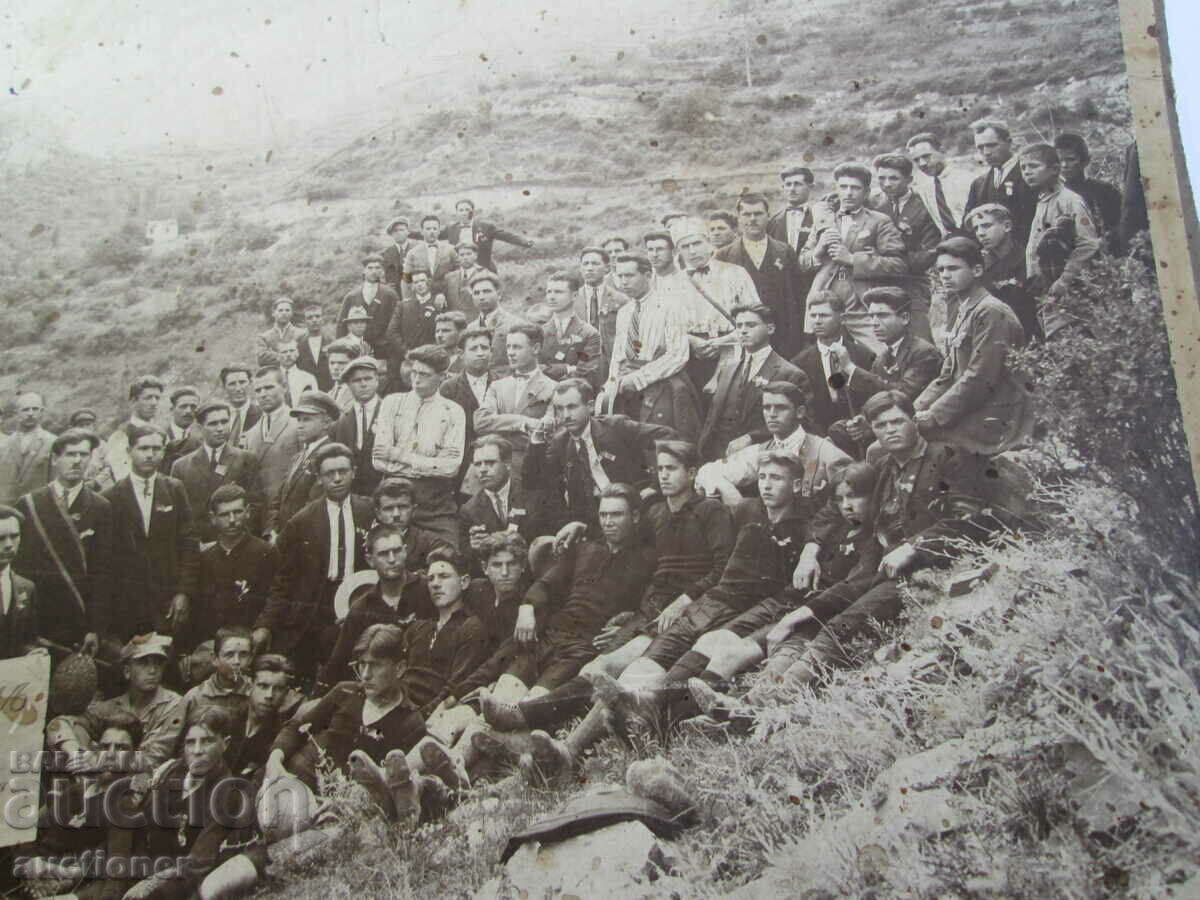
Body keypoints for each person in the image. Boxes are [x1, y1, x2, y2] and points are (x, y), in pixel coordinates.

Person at [469, 483, 657, 709]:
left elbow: (648, 609)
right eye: (603, 514)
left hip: (586, 645)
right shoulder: (584, 549)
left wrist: (624, 631)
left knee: (534, 701)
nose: (608, 522)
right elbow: (547, 583)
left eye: (616, 515)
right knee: (504, 692)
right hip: (552, 634)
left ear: (635, 516)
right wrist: (527, 608)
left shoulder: (647, 560)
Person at [265, 623, 427, 792]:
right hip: (292, 779)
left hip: (341, 802)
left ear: (399, 668)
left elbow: (396, 786)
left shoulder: (410, 722)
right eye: (362, 664)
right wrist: (275, 759)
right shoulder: (345, 691)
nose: (365, 675)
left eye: (376, 665)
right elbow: (297, 727)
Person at [119, 707, 257, 900]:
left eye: (207, 741)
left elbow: (199, 863)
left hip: (182, 882)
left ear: (224, 744)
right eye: (190, 743)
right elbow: (142, 827)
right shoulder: (172, 773)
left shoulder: (226, 793)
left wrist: (150, 890)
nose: (197, 750)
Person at [259, 442, 373, 675]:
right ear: (319, 479)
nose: (338, 478)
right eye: (330, 473)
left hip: (359, 600)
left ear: (354, 472)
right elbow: (283, 579)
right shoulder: (302, 522)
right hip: (317, 604)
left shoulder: (369, 511)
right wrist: (266, 624)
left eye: (343, 471)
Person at [915, 237, 1033, 455]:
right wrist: (916, 409)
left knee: (908, 442)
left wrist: (934, 415)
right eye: (941, 270)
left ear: (977, 270)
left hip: (996, 415)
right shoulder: (966, 309)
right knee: (899, 431)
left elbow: (979, 378)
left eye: (953, 268)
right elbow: (947, 375)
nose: (945, 276)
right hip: (972, 406)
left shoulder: (991, 311)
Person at [523, 378, 676, 534]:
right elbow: (533, 481)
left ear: (589, 407)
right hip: (596, 521)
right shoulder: (560, 443)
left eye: (572, 407)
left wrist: (655, 485)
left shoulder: (616, 427)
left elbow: (667, 436)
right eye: (559, 409)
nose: (565, 415)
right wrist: (537, 440)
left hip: (636, 508)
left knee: (660, 516)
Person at [14, 429, 113, 656]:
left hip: (79, 617)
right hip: (39, 617)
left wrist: (95, 628)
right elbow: (19, 568)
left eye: (83, 454)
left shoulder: (101, 507)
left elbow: (103, 571)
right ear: (56, 459)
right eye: (70, 454)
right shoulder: (29, 504)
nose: (77, 461)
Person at [102, 425, 199, 639]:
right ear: (129, 452)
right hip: (127, 600)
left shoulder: (174, 489)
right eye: (143, 448)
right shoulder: (111, 496)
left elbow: (189, 543)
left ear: (163, 452)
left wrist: (184, 592)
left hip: (167, 596)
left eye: (156, 448)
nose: (150, 454)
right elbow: (105, 556)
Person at [695, 380, 850, 513]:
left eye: (780, 407)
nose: (772, 414)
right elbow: (708, 470)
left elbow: (850, 506)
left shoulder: (827, 454)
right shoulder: (761, 450)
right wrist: (735, 499)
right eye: (766, 407)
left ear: (800, 412)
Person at [798, 162, 907, 349]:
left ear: (866, 193)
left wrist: (852, 260)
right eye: (843, 187)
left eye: (855, 188)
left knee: (880, 355)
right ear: (836, 189)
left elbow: (898, 265)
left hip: (861, 305)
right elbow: (802, 262)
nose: (848, 193)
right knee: (826, 358)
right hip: (825, 305)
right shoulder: (824, 221)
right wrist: (817, 252)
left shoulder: (879, 221)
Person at [826, 287, 943, 456]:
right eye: (871, 316)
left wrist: (851, 369)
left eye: (882, 315)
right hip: (889, 426)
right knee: (837, 430)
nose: (874, 322)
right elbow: (874, 400)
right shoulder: (883, 357)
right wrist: (862, 419)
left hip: (914, 428)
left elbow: (903, 395)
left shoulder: (924, 353)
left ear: (904, 318)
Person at [318, 519, 435, 687]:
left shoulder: (428, 589)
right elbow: (337, 662)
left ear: (405, 551)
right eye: (383, 554)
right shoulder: (361, 608)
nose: (392, 559)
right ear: (370, 560)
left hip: (426, 682)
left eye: (397, 551)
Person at [372, 345, 466, 549]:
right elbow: (378, 460)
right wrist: (433, 463)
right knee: (389, 555)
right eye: (414, 372)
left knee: (447, 555)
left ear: (442, 376)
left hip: (435, 501)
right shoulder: (391, 403)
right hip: (394, 494)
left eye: (424, 374)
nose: (416, 379)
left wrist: (397, 454)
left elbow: (451, 468)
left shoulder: (453, 412)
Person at [602, 253, 702, 442]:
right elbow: (618, 354)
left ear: (648, 275)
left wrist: (639, 378)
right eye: (619, 276)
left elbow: (677, 354)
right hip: (627, 385)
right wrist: (612, 382)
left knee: (665, 439)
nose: (623, 282)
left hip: (662, 381)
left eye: (629, 276)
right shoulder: (624, 311)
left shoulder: (670, 306)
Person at [697, 304, 805, 463]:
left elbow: (798, 425)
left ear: (770, 329)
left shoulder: (790, 374)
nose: (743, 330)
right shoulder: (727, 370)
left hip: (761, 460)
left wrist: (751, 438)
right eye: (739, 325)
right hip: (716, 456)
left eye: (751, 325)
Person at [715, 194, 805, 356]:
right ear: (739, 218)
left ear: (768, 216)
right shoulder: (724, 256)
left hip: (783, 338)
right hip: (742, 338)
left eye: (758, 214)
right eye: (747, 214)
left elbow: (798, 297)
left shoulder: (785, 251)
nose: (752, 219)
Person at [475, 324, 556, 496]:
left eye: (517, 347)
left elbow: (547, 432)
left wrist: (499, 425)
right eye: (508, 347)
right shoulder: (497, 386)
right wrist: (523, 423)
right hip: (493, 471)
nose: (510, 352)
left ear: (536, 348)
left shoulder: (553, 388)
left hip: (531, 472)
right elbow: (480, 422)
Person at [86, 633, 185, 772]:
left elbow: (156, 756)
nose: (152, 670)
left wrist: (98, 761)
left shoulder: (175, 705)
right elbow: (70, 722)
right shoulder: (109, 707)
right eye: (144, 663)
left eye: (158, 663)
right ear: (127, 671)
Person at [170, 399, 265, 544]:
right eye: (213, 424)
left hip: (237, 545)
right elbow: (179, 515)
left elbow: (255, 507)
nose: (220, 428)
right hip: (199, 548)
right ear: (200, 427)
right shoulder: (181, 467)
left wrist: (241, 541)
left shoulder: (246, 459)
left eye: (224, 422)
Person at [870, 153, 940, 343]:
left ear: (909, 179)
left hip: (913, 282)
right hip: (878, 282)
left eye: (893, 178)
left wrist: (892, 264)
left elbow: (929, 252)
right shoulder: (873, 203)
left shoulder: (924, 206)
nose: (887, 183)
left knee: (919, 338)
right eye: (881, 178)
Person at [1020, 143, 1101, 298]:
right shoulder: (1042, 201)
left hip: (1071, 289)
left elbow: (1088, 243)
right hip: (1046, 287)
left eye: (1033, 166)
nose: (1027, 172)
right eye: (1023, 168)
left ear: (1055, 169)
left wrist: (1065, 280)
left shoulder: (1069, 200)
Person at [789, 291, 876, 436]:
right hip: (821, 437)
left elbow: (873, 397)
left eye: (823, 315)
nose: (816, 321)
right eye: (813, 316)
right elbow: (804, 410)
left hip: (860, 434)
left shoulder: (864, 355)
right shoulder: (799, 363)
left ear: (842, 319)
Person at [196, 484, 278, 633]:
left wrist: (263, 627)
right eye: (224, 514)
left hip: (253, 635)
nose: (232, 520)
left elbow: (276, 597)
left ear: (247, 512)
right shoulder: (205, 558)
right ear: (213, 518)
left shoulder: (266, 552)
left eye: (237, 512)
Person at [459, 436, 549, 567]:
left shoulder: (532, 495)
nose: (483, 470)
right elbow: (466, 558)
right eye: (478, 464)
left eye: (490, 462)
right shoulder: (469, 510)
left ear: (507, 464)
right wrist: (474, 547)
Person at [263, 391, 337, 538]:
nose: (300, 426)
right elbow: (278, 500)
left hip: (304, 537)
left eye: (307, 420)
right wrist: (271, 531)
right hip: (284, 536)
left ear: (326, 423)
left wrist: (284, 537)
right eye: (299, 420)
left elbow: (313, 507)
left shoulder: (330, 456)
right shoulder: (299, 455)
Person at [967, 204, 1041, 341]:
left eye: (986, 226)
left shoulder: (1027, 260)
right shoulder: (978, 266)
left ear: (1007, 226)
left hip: (1024, 337)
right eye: (976, 228)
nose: (980, 233)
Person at [439, 326, 496, 494]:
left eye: (485, 348)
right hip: (461, 465)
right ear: (461, 353)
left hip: (495, 463)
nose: (480, 353)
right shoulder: (448, 389)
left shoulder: (503, 384)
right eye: (473, 348)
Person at [964, 119, 1037, 247]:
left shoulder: (1031, 175)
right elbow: (969, 225)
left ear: (1009, 142)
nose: (986, 152)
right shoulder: (978, 184)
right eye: (980, 148)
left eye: (992, 145)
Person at [1054, 132, 1122, 256]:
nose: (1064, 165)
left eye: (1070, 159)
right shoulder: (1052, 193)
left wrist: (1104, 241)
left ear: (1085, 161)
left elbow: (1120, 225)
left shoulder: (1105, 191)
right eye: (1059, 160)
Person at [244, 366, 303, 505]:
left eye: (269, 387)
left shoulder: (297, 424)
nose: (263, 394)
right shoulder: (250, 434)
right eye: (258, 390)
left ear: (284, 387)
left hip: (289, 507)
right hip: (259, 511)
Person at [229, 653, 295, 778]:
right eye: (263, 686)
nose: (269, 695)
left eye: (278, 689)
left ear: (286, 694)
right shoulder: (226, 718)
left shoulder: (280, 738)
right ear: (250, 686)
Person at [371, 477, 452, 572]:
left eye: (402, 507)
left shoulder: (430, 543)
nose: (396, 514)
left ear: (414, 510)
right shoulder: (369, 542)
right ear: (378, 513)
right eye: (389, 508)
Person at [541, 271, 604, 389]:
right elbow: (533, 368)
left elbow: (584, 371)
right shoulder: (540, 332)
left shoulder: (589, 334)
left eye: (558, 292)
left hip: (573, 399)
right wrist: (567, 368)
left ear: (574, 296)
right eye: (549, 292)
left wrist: (551, 374)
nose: (552, 297)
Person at [331, 357, 384, 496]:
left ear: (377, 380)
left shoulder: (390, 412)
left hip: (383, 492)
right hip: (353, 495)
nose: (363, 384)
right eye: (357, 380)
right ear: (348, 385)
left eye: (368, 379)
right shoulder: (341, 420)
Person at [906, 131, 975, 238]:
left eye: (926, 156)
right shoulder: (925, 187)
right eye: (916, 160)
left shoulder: (967, 179)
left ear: (942, 151)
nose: (922, 163)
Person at [181, 625, 253, 726]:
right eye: (229, 655)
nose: (237, 661)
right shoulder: (195, 697)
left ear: (250, 659)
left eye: (243, 655)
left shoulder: (255, 693)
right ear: (215, 658)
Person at [440, 198, 534, 273]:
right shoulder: (450, 228)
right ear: (456, 212)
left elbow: (506, 236)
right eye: (461, 210)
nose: (464, 212)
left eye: (467, 210)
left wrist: (525, 242)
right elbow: (434, 235)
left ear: (473, 212)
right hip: (460, 271)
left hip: (483, 269)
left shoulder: (485, 227)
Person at [575, 246, 630, 373]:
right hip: (580, 362)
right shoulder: (570, 301)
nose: (589, 268)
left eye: (595, 263)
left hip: (612, 364)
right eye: (585, 264)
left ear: (606, 268)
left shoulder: (622, 300)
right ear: (580, 268)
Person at [102, 375, 164, 485]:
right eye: (148, 398)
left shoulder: (161, 433)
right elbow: (122, 478)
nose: (154, 403)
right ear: (133, 401)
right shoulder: (121, 435)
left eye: (157, 398)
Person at [387, 269, 444, 375]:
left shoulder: (439, 304)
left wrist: (431, 353)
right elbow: (391, 332)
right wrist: (406, 352)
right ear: (412, 286)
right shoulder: (403, 306)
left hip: (432, 359)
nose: (419, 285)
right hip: (407, 360)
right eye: (416, 282)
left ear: (429, 282)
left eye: (422, 281)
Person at [338, 255, 400, 352]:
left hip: (384, 350)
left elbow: (397, 324)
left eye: (377, 268)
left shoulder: (390, 295)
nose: (374, 271)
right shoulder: (352, 296)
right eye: (370, 268)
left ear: (382, 271)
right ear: (364, 270)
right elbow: (341, 326)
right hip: (357, 349)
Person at [467, 272, 527, 372]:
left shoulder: (516, 324)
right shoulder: (470, 328)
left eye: (486, 291)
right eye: (476, 293)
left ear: (499, 294)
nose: (481, 297)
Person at [0, 506, 38, 659]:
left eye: (14, 536)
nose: (9, 544)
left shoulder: (27, 588)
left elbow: (27, 640)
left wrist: (31, 652)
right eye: (0, 538)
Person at [767, 165, 817, 254]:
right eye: (788, 184)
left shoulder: (818, 218)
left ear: (811, 187)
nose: (792, 189)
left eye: (797, 184)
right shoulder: (773, 221)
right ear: (783, 187)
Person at [404, 215, 458, 299]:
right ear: (421, 231)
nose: (432, 231)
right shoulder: (413, 253)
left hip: (447, 295)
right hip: (423, 297)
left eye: (435, 228)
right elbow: (406, 278)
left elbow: (458, 272)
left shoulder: (450, 249)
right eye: (428, 229)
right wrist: (408, 299)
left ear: (439, 231)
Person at [159, 387, 202, 474]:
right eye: (183, 406)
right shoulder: (160, 434)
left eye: (193, 407)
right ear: (172, 410)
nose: (188, 411)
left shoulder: (203, 436)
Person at [221, 365, 261, 449]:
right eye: (232, 384)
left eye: (242, 382)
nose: (238, 389)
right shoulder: (219, 416)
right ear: (224, 387)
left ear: (250, 384)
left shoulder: (262, 415)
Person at [296, 302, 334, 391]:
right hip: (306, 390)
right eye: (310, 317)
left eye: (317, 316)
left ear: (322, 319)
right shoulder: (298, 343)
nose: (314, 320)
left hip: (328, 390)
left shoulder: (332, 342)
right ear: (305, 321)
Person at [255, 296, 303, 366]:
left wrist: (272, 353)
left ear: (292, 313)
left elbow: (303, 357)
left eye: (287, 310)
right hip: (273, 374)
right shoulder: (264, 337)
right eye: (280, 310)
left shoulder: (302, 334)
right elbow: (261, 359)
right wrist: (290, 355)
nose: (284, 313)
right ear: (273, 313)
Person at [444, 241, 485, 317]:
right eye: (462, 255)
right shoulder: (449, 277)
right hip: (454, 322)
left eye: (469, 254)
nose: (465, 257)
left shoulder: (484, 275)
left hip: (476, 322)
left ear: (475, 255)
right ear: (458, 257)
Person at [276, 337, 319, 406]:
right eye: (284, 352)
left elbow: (314, 403)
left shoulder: (308, 378)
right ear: (277, 356)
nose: (288, 354)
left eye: (292, 351)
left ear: (297, 353)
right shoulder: (272, 378)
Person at [382, 216, 417, 295]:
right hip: (395, 294)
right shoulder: (387, 253)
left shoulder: (416, 249)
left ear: (408, 232)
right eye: (395, 231)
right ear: (391, 234)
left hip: (415, 290)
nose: (398, 233)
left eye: (401, 230)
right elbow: (384, 274)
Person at [325, 339, 358, 410]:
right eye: (332, 363)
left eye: (341, 363)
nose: (335, 367)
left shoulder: (358, 392)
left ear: (353, 364)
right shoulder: (330, 393)